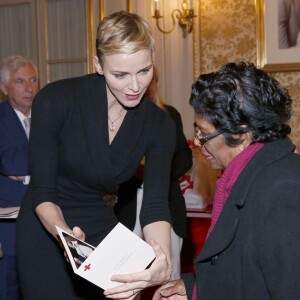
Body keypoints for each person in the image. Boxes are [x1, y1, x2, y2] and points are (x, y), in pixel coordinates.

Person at [16, 11, 176, 300]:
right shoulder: (56, 100)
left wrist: (161, 255)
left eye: (144, 71)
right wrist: (66, 237)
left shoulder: (159, 124)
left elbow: (154, 205)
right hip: (48, 227)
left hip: (102, 227)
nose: (135, 86)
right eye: (120, 74)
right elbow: (42, 193)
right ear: (98, 65)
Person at [153, 62, 300, 300]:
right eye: (196, 130)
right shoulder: (250, 174)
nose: (198, 142)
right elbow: (244, 270)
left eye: (204, 133)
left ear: (241, 134)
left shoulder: (282, 189)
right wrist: (193, 288)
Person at [115, 66, 192, 280]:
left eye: (149, 79)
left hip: (166, 201)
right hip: (126, 203)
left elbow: (184, 157)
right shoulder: (118, 116)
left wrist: (156, 171)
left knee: (170, 271)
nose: (144, 85)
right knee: (125, 271)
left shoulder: (169, 115)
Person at [0, 55, 38, 300]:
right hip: (8, 228)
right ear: (4, 88)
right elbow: (9, 162)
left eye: (33, 80)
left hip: (45, 224)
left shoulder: (49, 114)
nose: (29, 87)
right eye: (20, 81)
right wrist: (46, 161)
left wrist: (25, 174)